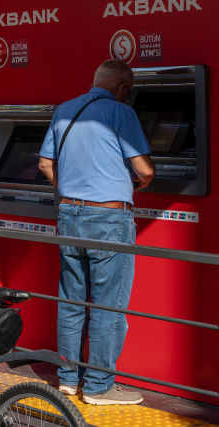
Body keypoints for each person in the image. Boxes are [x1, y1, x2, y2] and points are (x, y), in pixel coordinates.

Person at [38, 59, 155, 406]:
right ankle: (99, 386)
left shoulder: (65, 110)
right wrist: (139, 181)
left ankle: (68, 380)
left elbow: (45, 164)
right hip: (108, 218)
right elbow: (145, 170)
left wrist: (74, 191)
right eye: (129, 90)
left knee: (72, 301)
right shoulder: (121, 112)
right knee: (108, 304)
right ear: (123, 87)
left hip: (69, 214)